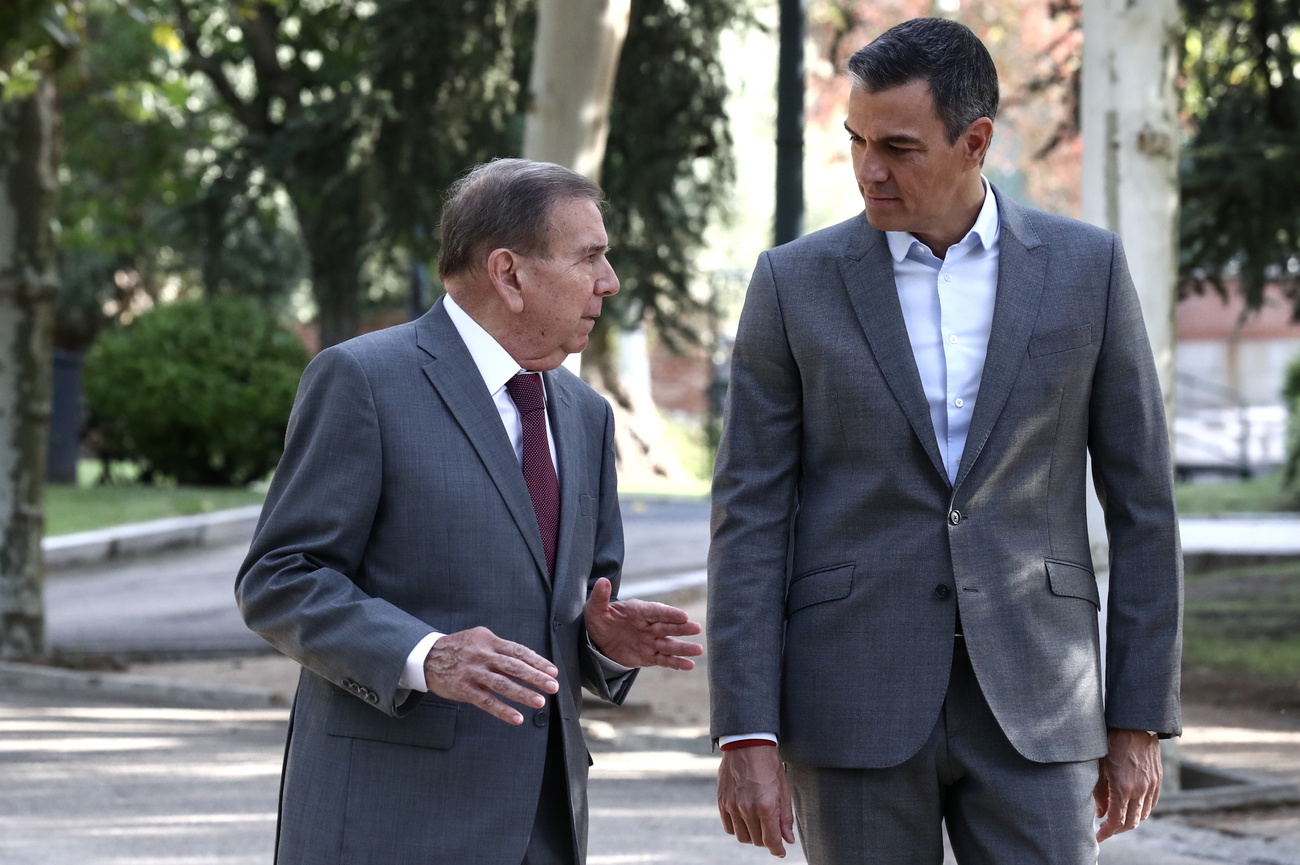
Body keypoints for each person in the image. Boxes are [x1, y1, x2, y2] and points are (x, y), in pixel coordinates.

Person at [708, 18, 1182, 864]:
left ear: (975, 142)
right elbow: (749, 514)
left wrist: (1138, 713)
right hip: (852, 701)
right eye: (856, 140)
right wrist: (745, 728)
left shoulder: (1088, 270)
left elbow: (1144, 505)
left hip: (1040, 697)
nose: (867, 170)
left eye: (896, 146)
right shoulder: (791, 283)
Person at [237, 158, 703, 865]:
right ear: (509, 273)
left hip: (545, 825)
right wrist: (427, 656)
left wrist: (604, 643)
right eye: (590, 258)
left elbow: (568, 616)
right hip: (389, 822)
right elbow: (280, 578)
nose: (608, 282)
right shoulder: (363, 380)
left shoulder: (586, 414)